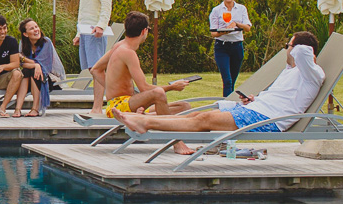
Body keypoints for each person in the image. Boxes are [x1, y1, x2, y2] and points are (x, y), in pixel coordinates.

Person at [112, 32, 325, 153]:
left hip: (268, 119)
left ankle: (145, 123)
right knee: (194, 114)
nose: (286, 48)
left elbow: (304, 52)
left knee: (204, 119)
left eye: (288, 44)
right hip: (255, 108)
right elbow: (280, 95)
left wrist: (297, 45)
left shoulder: (313, 73)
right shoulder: (292, 70)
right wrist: (253, 99)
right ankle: (143, 120)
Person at [90, 11, 190, 118]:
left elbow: (95, 69)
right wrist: (172, 87)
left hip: (128, 103)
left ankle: (144, 117)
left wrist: (110, 88)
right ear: (144, 31)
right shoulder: (128, 52)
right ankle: (164, 127)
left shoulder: (119, 46)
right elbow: (144, 88)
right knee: (158, 93)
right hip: (119, 106)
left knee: (184, 107)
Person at [13, 18, 66, 118]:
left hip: (50, 78)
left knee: (32, 71)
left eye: (36, 27)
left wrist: (24, 59)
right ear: (25, 34)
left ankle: (35, 109)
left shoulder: (46, 42)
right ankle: (18, 109)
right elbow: (20, 64)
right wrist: (35, 65)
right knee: (28, 70)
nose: (36, 30)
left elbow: (43, 65)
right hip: (31, 76)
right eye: (32, 28)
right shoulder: (23, 44)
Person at [209, 0, 252, 97]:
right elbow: (213, 32)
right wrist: (224, 31)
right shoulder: (217, 10)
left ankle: (229, 103)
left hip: (237, 46)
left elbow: (247, 28)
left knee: (232, 80)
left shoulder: (241, 9)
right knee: (227, 80)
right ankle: (226, 105)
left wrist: (236, 24)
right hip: (222, 46)